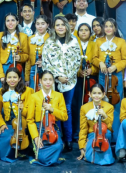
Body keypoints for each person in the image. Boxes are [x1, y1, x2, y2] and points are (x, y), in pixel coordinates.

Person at [42, 16, 81, 151]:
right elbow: (46, 62)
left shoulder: (74, 41)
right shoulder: (49, 42)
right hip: (54, 81)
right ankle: (57, 138)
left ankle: (69, 140)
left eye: (62, 25)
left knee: (68, 109)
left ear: (67, 26)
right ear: (54, 27)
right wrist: (57, 76)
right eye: (57, 25)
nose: (60, 27)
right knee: (55, 109)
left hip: (70, 81)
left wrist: (67, 77)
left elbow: (77, 61)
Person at [93, 18, 126, 142]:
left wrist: (115, 66)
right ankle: (105, 134)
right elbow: (94, 58)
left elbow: (125, 60)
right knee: (103, 103)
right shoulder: (98, 41)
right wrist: (100, 63)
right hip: (103, 76)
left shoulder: (121, 42)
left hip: (115, 77)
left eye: (111, 26)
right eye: (106, 26)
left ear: (115, 28)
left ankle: (117, 136)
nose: (108, 28)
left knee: (117, 104)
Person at [26, 70, 68, 166]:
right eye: (45, 80)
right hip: (39, 128)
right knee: (42, 157)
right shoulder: (34, 96)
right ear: (40, 81)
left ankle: (51, 155)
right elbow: (30, 120)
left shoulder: (59, 96)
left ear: (53, 81)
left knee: (59, 146)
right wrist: (36, 137)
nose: (48, 82)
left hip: (52, 129)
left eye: (50, 80)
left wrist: (52, 109)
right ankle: (48, 157)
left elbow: (64, 117)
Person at [0, 67, 34, 163]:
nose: (12, 80)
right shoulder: (2, 91)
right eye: (9, 77)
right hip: (8, 124)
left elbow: (30, 112)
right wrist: (1, 124)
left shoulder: (28, 91)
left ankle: (23, 151)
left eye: (15, 77)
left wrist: (22, 108)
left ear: (20, 79)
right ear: (6, 79)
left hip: (22, 125)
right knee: (5, 140)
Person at [76, 83, 114, 165]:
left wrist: (104, 115)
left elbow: (110, 127)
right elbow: (83, 128)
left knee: (107, 135)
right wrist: (82, 146)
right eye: (94, 93)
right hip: (92, 134)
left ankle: (105, 158)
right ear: (90, 94)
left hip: (105, 134)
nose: (97, 96)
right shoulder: (84, 108)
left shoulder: (109, 107)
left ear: (104, 94)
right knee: (88, 154)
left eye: (99, 93)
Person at [72, 23, 98, 141]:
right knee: (77, 106)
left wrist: (91, 70)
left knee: (90, 105)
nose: (83, 32)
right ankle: (77, 132)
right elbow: (70, 61)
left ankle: (91, 131)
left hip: (91, 79)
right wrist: (79, 71)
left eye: (86, 30)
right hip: (77, 80)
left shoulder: (95, 44)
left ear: (90, 32)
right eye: (81, 30)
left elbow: (98, 60)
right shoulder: (73, 44)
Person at [0, 13, 29, 97]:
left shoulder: (23, 36)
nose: (10, 23)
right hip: (3, 68)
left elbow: (27, 55)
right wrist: (1, 75)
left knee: (19, 93)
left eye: (13, 20)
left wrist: (20, 57)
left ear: (17, 22)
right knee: (3, 93)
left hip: (18, 69)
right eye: (8, 21)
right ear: (5, 23)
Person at [26, 15, 51, 90]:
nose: (40, 26)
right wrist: (27, 77)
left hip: (47, 69)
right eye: (38, 24)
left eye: (43, 24)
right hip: (33, 70)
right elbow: (28, 59)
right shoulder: (30, 38)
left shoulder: (51, 38)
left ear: (47, 25)